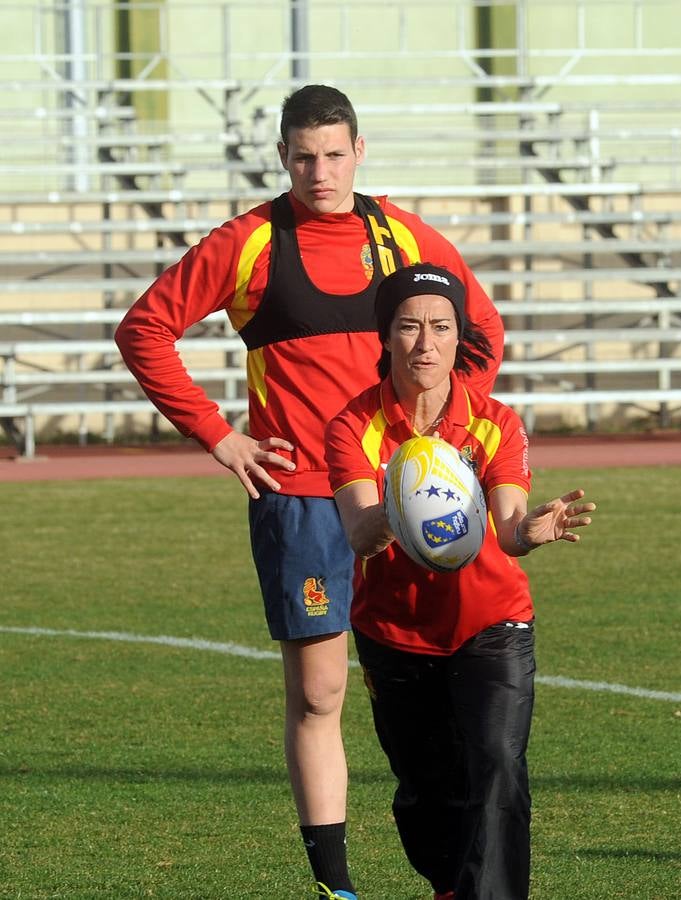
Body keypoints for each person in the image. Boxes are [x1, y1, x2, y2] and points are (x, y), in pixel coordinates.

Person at [114, 85, 505, 899]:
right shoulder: (250, 242)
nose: (318, 170)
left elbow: (480, 331)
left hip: (403, 502)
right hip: (300, 498)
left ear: (359, 151)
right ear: (282, 157)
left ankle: (451, 876)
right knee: (321, 694)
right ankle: (337, 887)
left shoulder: (398, 234)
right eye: (302, 156)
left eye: (333, 154)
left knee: (429, 690)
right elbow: (144, 328)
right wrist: (220, 436)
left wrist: (437, 438)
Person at [324, 262, 593, 900]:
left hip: (491, 625)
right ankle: (450, 886)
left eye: (441, 328)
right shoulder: (352, 426)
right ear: (384, 336)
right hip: (395, 632)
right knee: (425, 792)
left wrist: (530, 532)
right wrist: (409, 489)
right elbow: (361, 534)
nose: (426, 344)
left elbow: (507, 527)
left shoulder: (496, 420)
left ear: (458, 336)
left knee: (499, 771)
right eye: (410, 328)